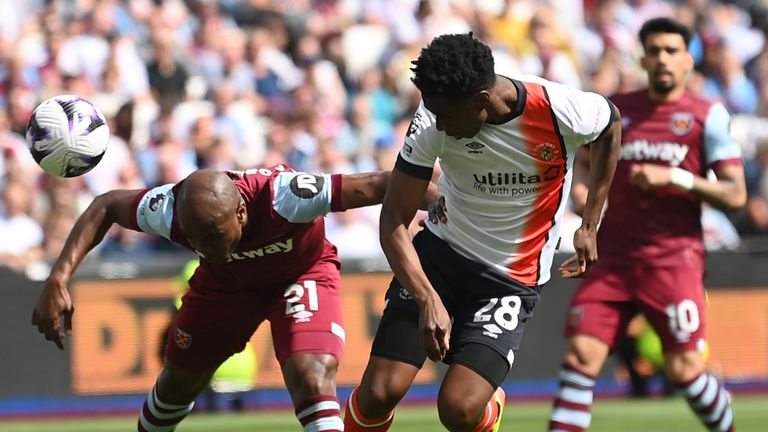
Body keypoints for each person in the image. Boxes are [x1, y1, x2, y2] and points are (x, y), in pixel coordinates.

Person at [344, 33, 621, 432]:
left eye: (447, 117)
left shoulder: (560, 109)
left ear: (482, 100)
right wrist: (426, 299)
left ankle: (488, 410)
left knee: (458, 409)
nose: (439, 124)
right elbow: (393, 221)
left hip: (510, 278)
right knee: (379, 392)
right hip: (439, 257)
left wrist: (591, 224)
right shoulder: (432, 120)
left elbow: (611, 124)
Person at [31, 165, 436, 432]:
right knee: (177, 384)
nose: (202, 246)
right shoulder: (167, 208)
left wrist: (444, 204)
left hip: (301, 274)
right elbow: (105, 206)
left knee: (311, 375)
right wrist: (58, 277)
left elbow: (386, 183)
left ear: (241, 213)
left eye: (213, 236)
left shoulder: (287, 195)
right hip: (225, 285)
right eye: (192, 238)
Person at [548, 18, 746, 432]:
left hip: (673, 260)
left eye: (671, 50)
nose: (662, 59)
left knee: (684, 371)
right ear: (643, 57)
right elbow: (583, 167)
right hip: (614, 258)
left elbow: (735, 194)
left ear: (689, 59)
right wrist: (585, 200)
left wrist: (673, 177)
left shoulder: (706, 115)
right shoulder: (616, 110)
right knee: (580, 358)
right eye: (654, 50)